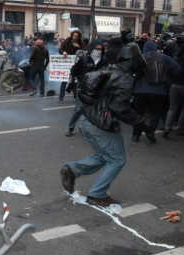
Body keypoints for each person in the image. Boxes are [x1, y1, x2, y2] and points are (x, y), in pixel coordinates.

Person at [60, 44, 150, 207]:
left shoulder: (108, 70)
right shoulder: (124, 77)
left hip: (88, 121)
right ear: (133, 61)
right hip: (102, 124)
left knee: (105, 155)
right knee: (116, 159)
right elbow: (120, 107)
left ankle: (73, 170)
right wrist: (140, 121)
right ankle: (97, 194)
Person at [130, 40, 181, 143]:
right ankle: (151, 132)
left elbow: (130, 69)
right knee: (155, 113)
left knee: (138, 113)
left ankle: (136, 134)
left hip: (141, 90)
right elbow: (178, 69)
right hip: (159, 90)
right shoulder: (164, 57)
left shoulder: (141, 57)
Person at [65, 41, 109, 136]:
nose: (99, 51)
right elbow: (73, 70)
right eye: (97, 49)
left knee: (93, 107)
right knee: (79, 107)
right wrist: (73, 82)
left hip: (96, 87)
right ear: (92, 48)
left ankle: (85, 125)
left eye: (101, 49)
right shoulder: (83, 58)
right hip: (83, 86)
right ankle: (70, 127)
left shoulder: (104, 60)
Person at [59, 30, 83, 102]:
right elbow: (60, 49)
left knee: (75, 81)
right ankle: (61, 97)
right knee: (64, 81)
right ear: (72, 35)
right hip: (67, 63)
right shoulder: (67, 41)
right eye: (74, 36)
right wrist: (64, 52)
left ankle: (75, 97)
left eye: (76, 36)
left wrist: (78, 48)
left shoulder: (80, 43)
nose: (75, 37)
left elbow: (83, 52)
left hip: (76, 64)